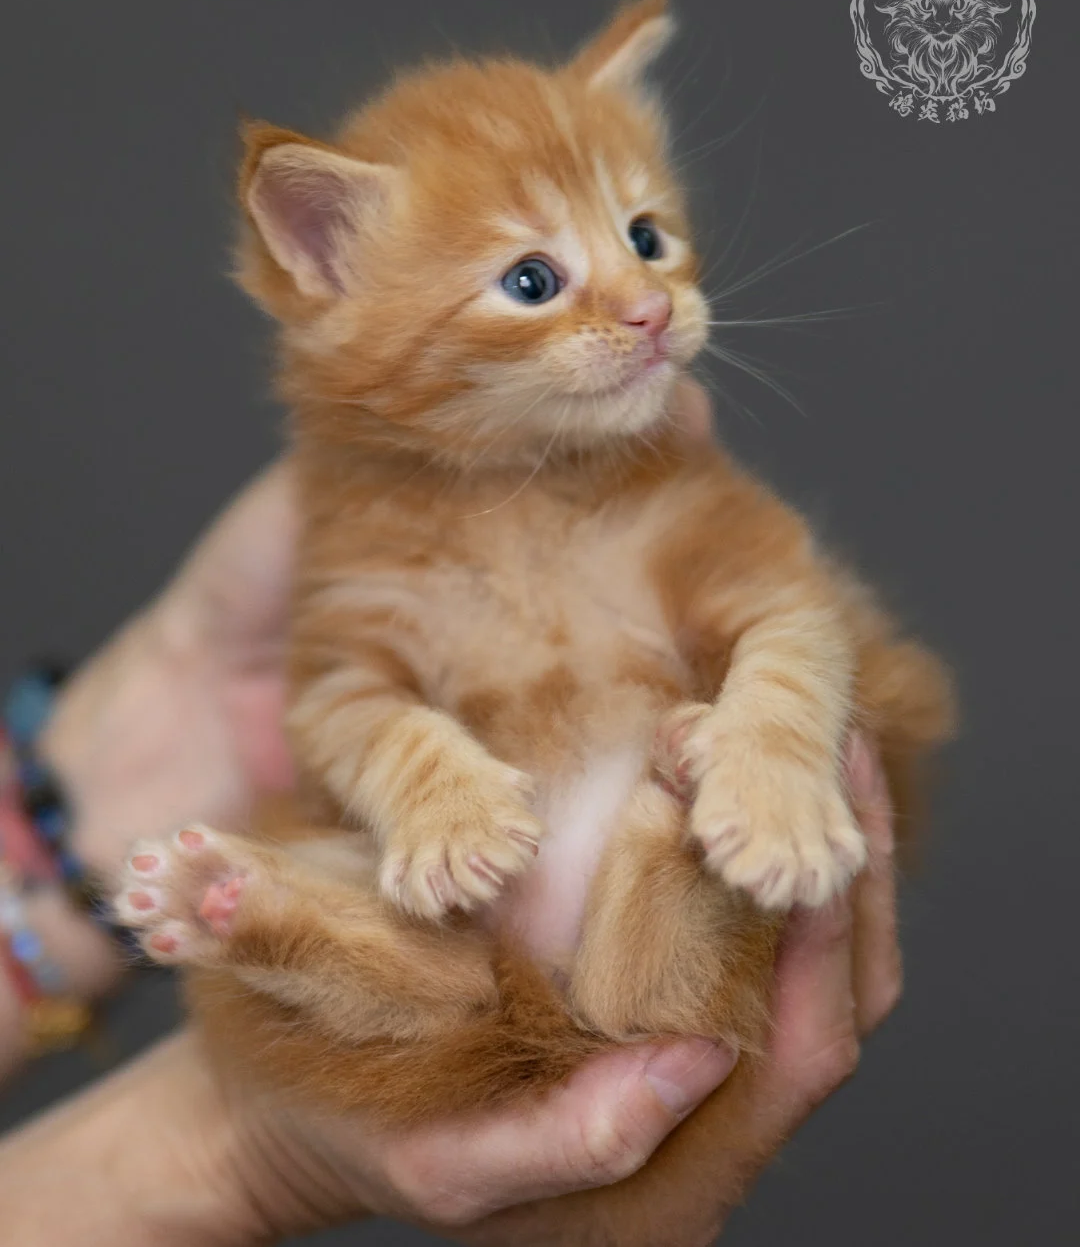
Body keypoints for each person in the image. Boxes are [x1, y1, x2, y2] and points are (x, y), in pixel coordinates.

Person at [0, 386, 902, 1244]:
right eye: (529, 283)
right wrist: (243, 1158)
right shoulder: (378, 506)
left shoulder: (642, 476)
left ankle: (323, 926)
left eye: (649, 241)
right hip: (551, 870)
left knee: (592, 915)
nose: (649, 306)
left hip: (626, 907)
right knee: (432, 922)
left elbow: (789, 621)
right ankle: (320, 932)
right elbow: (344, 716)